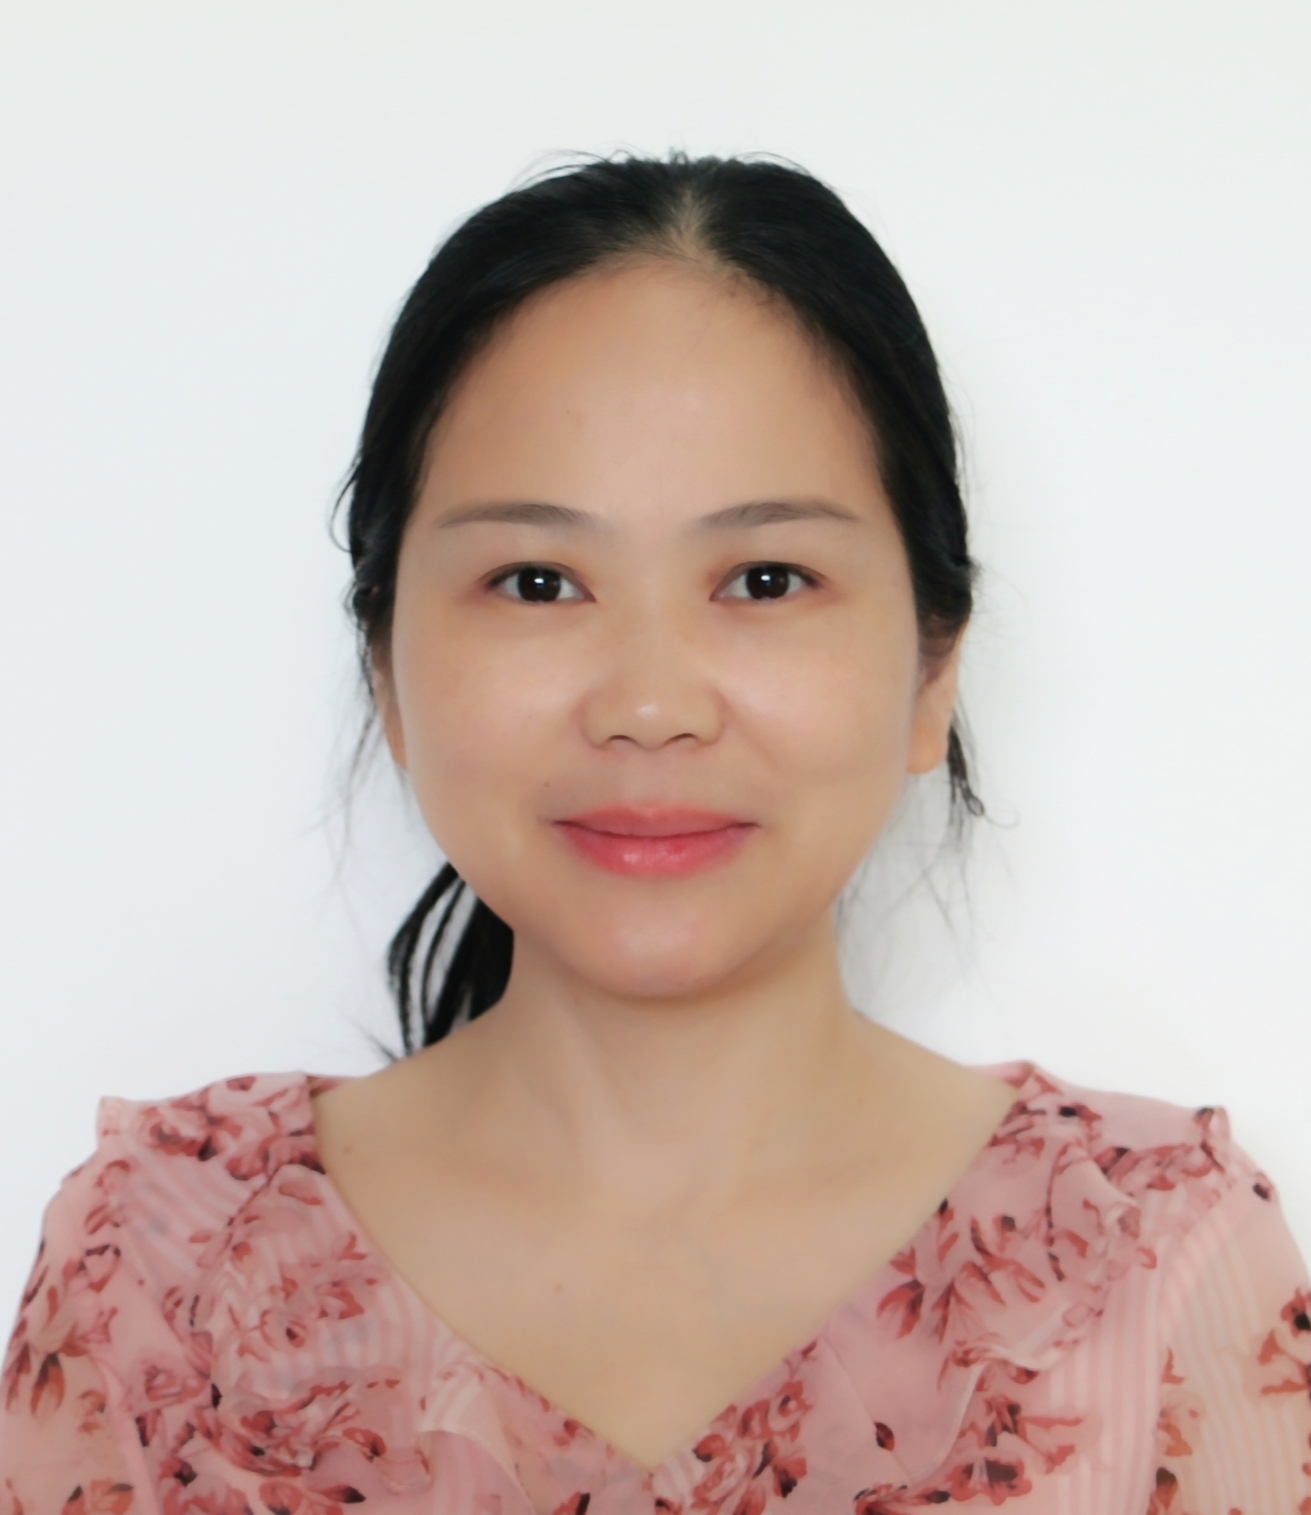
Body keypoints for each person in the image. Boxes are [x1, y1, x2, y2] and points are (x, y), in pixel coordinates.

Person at [2, 154, 1308, 1515]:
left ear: (933, 671)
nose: (648, 705)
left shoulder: (1157, 1255)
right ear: (386, 670)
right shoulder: (158, 1263)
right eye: (537, 581)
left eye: (765, 579)